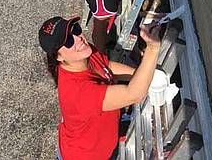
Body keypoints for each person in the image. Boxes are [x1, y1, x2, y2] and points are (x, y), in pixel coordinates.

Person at [38, 15, 161, 160]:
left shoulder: (85, 54)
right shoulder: (77, 92)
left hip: (97, 143)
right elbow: (133, 94)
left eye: (75, 30)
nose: (78, 39)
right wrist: (152, 49)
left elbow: (106, 67)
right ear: (58, 57)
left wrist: (140, 74)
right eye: (68, 41)